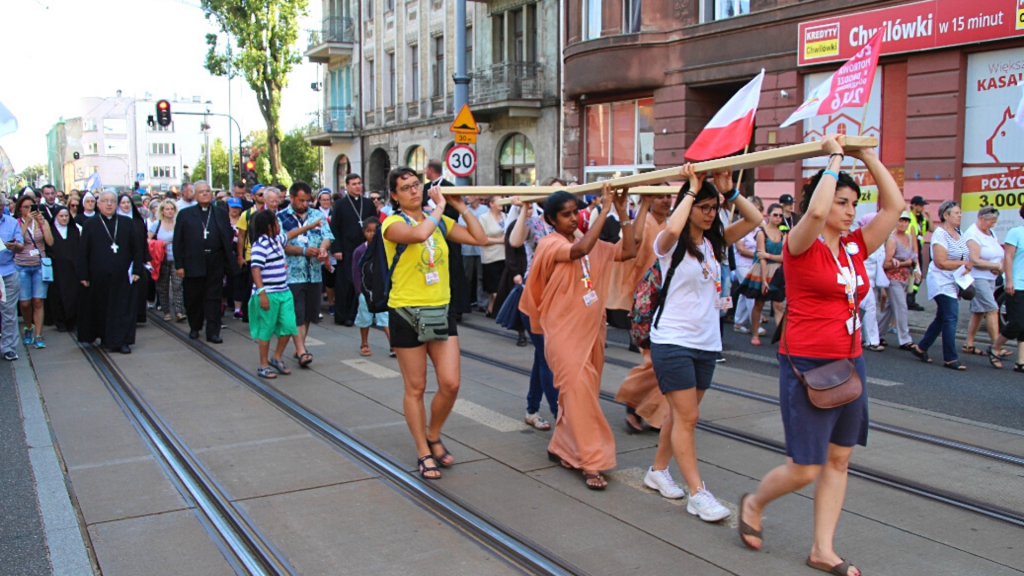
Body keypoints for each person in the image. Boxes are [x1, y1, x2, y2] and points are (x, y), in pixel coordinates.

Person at [738, 137, 902, 576]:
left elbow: (894, 206)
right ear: (824, 200)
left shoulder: (854, 246)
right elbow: (812, 213)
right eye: (843, 202)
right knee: (805, 468)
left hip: (850, 363)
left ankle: (823, 549)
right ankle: (754, 502)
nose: (850, 210)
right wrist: (833, 158)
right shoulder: (800, 244)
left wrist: (866, 156)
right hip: (807, 364)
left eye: (855, 202)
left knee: (840, 458)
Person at [644, 165, 761, 520]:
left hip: (707, 342)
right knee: (688, 417)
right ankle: (698, 493)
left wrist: (730, 192)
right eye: (704, 208)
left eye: (714, 208)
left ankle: (658, 470)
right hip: (672, 339)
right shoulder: (668, 243)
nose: (711, 214)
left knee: (681, 415)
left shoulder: (715, 242)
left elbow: (754, 219)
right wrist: (693, 187)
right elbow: (673, 227)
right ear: (689, 205)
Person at [520, 185, 639, 490]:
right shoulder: (549, 244)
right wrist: (607, 205)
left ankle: (561, 446)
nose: (573, 219)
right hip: (562, 335)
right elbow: (580, 250)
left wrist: (623, 210)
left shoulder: (594, 245)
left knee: (577, 397)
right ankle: (592, 462)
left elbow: (629, 251)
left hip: (592, 333)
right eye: (566, 215)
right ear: (550, 219)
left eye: (576, 212)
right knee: (579, 395)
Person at [383, 167, 487, 480]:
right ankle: (423, 450)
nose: (414, 191)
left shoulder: (439, 219)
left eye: (416, 185)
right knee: (416, 387)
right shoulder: (392, 223)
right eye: (406, 188)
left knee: (451, 383)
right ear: (395, 195)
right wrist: (439, 208)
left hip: (440, 310)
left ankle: (434, 432)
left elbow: (479, 238)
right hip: (406, 311)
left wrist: (461, 207)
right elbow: (418, 235)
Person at [611, 192, 670, 433]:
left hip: (671, 302)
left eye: (669, 196)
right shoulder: (644, 222)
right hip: (646, 303)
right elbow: (631, 244)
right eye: (660, 196)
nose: (665, 200)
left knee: (669, 360)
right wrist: (644, 204)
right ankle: (634, 402)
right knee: (654, 361)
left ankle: (654, 411)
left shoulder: (671, 225)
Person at [248, 210, 320, 379]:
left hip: (284, 291)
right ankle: (263, 364)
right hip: (269, 293)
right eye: (277, 223)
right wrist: (262, 292)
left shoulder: (276, 240)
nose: (280, 225)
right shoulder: (260, 245)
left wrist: (310, 225)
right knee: (266, 330)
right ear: (269, 226)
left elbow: (290, 234)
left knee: (288, 326)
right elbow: (255, 270)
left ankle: (277, 357)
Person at [508, 197, 558, 430]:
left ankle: (532, 409)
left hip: (560, 295)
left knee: (542, 355)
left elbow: (587, 245)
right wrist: (524, 207)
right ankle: (560, 413)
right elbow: (515, 241)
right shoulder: (533, 222)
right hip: (535, 295)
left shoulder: (566, 224)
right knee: (547, 355)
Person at [76, 190, 146, 354]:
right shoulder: (91, 224)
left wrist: (137, 269)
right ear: (98, 204)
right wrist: (83, 274)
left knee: (122, 309)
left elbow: (137, 249)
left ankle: (122, 341)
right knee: (102, 308)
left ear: (117, 204)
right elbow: (83, 252)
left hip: (123, 276)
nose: (109, 204)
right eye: (105, 201)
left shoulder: (126, 223)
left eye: (112, 201)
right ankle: (106, 338)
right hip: (98, 276)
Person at [173, 181, 238, 343]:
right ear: (194, 195)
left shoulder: (220, 212)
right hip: (193, 262)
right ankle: (195, 326)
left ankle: (213, 331)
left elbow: (227, 235)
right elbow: (178, 241)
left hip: (215, 261)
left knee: (214, 298)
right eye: (201, 192)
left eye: (207, 191)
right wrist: (179, 265)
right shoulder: (185, 214)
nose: (205, 194)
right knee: (193, 297)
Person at [910, 200, 971, 370]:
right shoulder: (940, 234)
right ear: (946, 215)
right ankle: (950, 358)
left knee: (942, 317)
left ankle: (921, 347)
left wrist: (968, 264)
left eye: (960, 213)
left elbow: (964, 254)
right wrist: (963, 263)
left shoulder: (960, 232)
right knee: (951, 317)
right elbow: (941, 262)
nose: (960, 215)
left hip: (954, 281)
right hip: (941, 281)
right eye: (956, 213)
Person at [279, 182, 333, 367]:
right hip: (292, 274)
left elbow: (327, 236)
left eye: (307, 201)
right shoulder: (280, 217)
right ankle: (302, 350)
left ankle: (299, 344)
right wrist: (303, 251)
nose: (304, 204)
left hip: (314, 273)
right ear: (292, 198)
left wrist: (323, 249)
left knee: (309, 313)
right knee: (296, 312)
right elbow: (281, 244)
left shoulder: (317, 215)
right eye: (301, 200)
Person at [424, 160, 472, 318]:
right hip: (429, 235)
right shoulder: (424, 189)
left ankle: (456, 308)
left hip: (449, 234)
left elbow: (455, 213)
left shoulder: (449, 186)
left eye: (426, 169)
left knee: (454, 269)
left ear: (431, 171)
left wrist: (435, 210)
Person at [330, 174, 377, 326]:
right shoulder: (340, 204)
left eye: (359, 183)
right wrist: (336, 249)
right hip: (346, 249)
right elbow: (334, 228)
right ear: (347, 187)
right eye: (354, 184)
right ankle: (344, 315)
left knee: (364, 280)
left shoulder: (368, 203)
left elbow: (375, 225)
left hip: (365, 248)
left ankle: (360, 313)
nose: (358, 186)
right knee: (346, 283)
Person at [962, 206, 1006, 364]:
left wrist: (998, 266)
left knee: (979, 310)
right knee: (992, 309)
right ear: (981, 218)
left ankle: (969, 343)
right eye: (991, 222)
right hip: (978, 277)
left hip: (990, 277)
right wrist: (995, 266)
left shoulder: (990, 233)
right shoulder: (973, 234)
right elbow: (975, 260)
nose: (993, 225)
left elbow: (998, 252)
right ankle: (996, 347)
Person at [740, 203, 786, 346]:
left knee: (779, 305)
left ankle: (782, 338)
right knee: (759, 303)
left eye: (780, 215)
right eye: (775, 215)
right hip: (762, 270)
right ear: (769, 216)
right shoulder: (762, 233)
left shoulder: (783, 234)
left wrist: (768, 255)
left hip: (778, 271)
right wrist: (764, 279)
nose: (778, 218)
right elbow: (761, 257)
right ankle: (754, 334)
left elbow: (784, 257)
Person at [14, 196, 53, 349]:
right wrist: (27, 222)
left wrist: (44, 224)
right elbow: (18, 241)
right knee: (24, 303)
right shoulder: (17, 223)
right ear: (20, 209)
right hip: (22, 266)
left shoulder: (41, 222)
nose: (29, 210)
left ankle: (38, 334)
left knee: (38, 301)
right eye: (25, 207)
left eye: (32, 207)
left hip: (39, 266)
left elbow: (50, 242)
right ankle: (28, 327)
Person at [878, 212, 920, 351]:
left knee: (891, 307)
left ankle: (876, 334)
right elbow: (886, 264)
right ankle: (905, 339)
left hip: (904, 278)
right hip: (893, 278)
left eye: (906, 221)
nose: (903, 224)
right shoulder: (892, 239)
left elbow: (913, 256)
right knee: (901, 306)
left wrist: (915, 267)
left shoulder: (908, 237)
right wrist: (904, 263)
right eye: (901, 221)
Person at [352, 219, 393, 357]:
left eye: (374, 231)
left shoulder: (385, 249)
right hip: (365, 290)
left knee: (385, 316)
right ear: (363, 232)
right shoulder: (360, 250)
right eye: (368, 231)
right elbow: (356, 272)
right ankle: (364, 342)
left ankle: (392, 345)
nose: (371, 234)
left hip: (381, 290)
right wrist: (359, 291)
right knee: (365, 317)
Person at [990, 205, 1024, 371]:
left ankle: (1021, 361)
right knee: (1016, 322)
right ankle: (995, 347)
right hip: (1016, 283)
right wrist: (1009, 281)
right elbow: (1008, 257)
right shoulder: (1016, 232)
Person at [43, 207, 81, 333]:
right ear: (55, 217)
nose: (64, 219)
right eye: (61, 216)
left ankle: (73, 321)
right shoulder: (51, 231)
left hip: (73, 269)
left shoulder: (75, 230)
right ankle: (60, 322)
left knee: (73, 295)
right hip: (57, 268)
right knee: (57, 295)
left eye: (66, 216)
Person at [235, 186, 269, 322]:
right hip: (251, 255)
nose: (262, 197)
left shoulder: (271, 213)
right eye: (260, 194)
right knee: (251, 286)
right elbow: (241, 236)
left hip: (268, 255)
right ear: (254, 196)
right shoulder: (246, 214)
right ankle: (249, 315)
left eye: (264, 194)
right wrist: (240, 256)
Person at [732, 196, 765, 335]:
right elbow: (741, 249)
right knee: (751, 293)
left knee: (744, 294)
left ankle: (739, 322)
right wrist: (758, 255)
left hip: (755, 264)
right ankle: (756, 324)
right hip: (742, 263)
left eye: (757, 208)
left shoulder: (760, 226)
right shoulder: (741, 226)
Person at [149, 200, 186, 322]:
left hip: (176, 259)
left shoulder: (179, 223)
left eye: (172, 209)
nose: (170, 211)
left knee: (177, 286)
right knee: (162, 286)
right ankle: (166, 311)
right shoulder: (157, 224)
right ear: (162, 211)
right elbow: (147, 240)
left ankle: (179, 311)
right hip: (161, 259)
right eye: (167, 209)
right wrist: (159, 244)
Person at [0, 194, 24, 360]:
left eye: (0, 206)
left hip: (7, 271)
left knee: (9, 312)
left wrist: (15, 245)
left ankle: (8, 347)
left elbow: (21, 246)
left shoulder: (11, 222)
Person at [478, 197, 506, 316]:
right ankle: (494, 309)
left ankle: (493, 309)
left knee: (502, 286)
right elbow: (481, 238)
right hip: (490, 256)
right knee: (493, 289)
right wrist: (500, 240)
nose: (503, 203)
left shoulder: (506, 216)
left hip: (504, 255)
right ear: (491, 203)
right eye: (499, 201)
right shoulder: (484, 218)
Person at [460, 196, 489, 310]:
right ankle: (466, 301)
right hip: (467, 249)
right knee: (467, 276)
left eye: (470, 195)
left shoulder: (485, 209)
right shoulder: (464, 210)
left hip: (482, 249)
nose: (467, 198)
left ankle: (482, 303)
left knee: (481, 276)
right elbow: (462, 226)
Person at [906, 196, 932, 311]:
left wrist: (929, 216)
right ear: (914, 205)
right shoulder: (909, 216)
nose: (922, 207)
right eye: (920, 205)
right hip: (910, 247)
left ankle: (911, 297)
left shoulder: (921, 218)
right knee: (912, 274)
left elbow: (932, 228)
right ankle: (909, 299)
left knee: (918, 275)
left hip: (918, 247)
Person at [225, 198, 246, 319]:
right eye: (233, 207)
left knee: (239, 280)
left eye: (237, 207)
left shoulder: (242, 220)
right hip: (226, 253)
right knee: (225, 281)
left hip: (238, 252)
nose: (235, 210)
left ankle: (238, 308)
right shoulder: (224, 220)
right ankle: (223, 304)